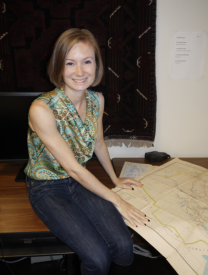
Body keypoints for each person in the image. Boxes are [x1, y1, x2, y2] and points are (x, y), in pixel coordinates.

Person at [25, 28, 149, 275]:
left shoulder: (97, 100)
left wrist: (115, 179)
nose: (80, 72)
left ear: (97, 64)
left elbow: (99, 142)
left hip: (80, 181)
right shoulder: (41, 108)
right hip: (48, 187)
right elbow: (72, 167)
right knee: (97, 257)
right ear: (59, 66)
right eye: (70, 63)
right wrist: (118, 201)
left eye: (87, 62)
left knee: (125, 246)